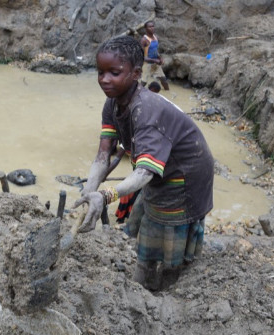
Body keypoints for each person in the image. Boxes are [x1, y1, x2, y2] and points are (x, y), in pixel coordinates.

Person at [74, 36, 214, 291]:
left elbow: (146, 173)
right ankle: (146, 277)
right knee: (149, 216)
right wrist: (89, 191)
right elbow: (104, 153)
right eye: (100, 72)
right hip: (160, 167)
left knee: (167, 227)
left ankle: (167, 285)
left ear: (136, 73)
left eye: (114, 73)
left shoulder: (146, 112)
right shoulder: (112, 103)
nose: (104, 79)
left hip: (186, 172)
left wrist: (105, 196)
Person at [115, 80, 161, 223]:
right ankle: (123, 220)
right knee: (129, 196)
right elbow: (117, 157)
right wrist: (105, 173)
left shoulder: (148, 133)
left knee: (136, 198)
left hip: (146, 174)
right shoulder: (130, 134)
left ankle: (128, 220)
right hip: (138, 173)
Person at [140, 21, 170, 91]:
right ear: (146, 29)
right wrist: (155, 60)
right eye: (150, 27)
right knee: (143, 83)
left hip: (156, 64)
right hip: (147, 64)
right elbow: (142, 57)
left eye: (153, 26)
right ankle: (135, 95)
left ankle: (168, 94)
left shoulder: (155, 37)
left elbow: (155, 51)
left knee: (164, 81)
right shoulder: (144, 40)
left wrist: (160, 58)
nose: (152, 28)